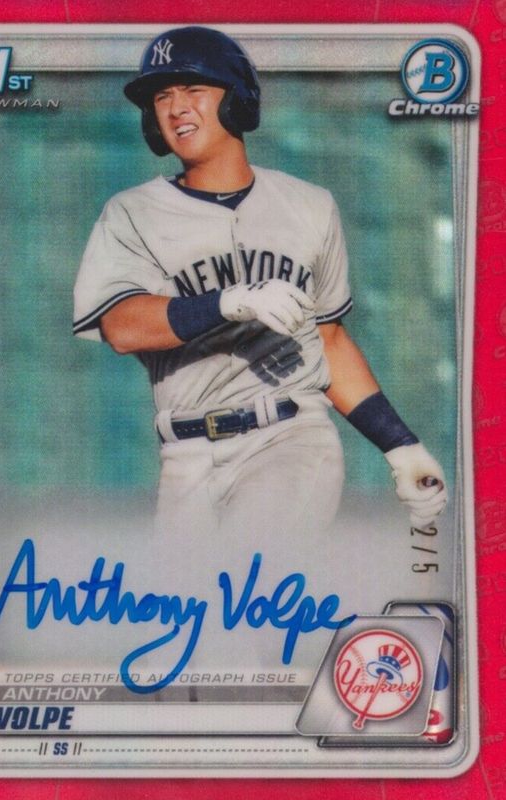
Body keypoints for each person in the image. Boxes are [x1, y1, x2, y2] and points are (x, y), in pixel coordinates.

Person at [73, 26, 447, 547]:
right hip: (184, 457)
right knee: (184, 597)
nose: (177, 108)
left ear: (237, 99)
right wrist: (228, 302)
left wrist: (400, 445)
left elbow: (328, 340)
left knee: (247, 573)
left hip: (288, 436)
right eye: (162, 96)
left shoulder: (310, 206)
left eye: (194, 89)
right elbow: (122, 326)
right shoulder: (130, 213)